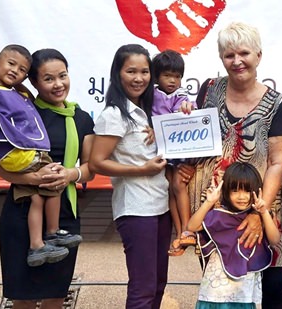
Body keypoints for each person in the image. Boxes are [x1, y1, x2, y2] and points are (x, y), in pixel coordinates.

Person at [179, 21, 282, 308]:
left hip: (260, 204)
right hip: (216, 206)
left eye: (244, 53)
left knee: (272, 285)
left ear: (259, 56)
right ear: (221, 59)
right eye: (229, 55)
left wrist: (258, 212)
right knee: (220, 283)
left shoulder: (278, 103)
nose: (237, 61)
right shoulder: (209, 90)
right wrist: (184, 154)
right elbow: (197, 137)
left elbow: (278, 163)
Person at [0, 48, 95, 309]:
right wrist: (35, 178)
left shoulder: (80, 118)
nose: (58, 84)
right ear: (34, 83)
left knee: (55, 296)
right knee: (23, 298)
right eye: (49, 79)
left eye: (63, 76)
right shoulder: (21, 114)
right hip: (21, 212)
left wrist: (71, 174)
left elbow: (90, 168)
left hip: (64, 219)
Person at [0, 44, 82, 267]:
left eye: (21, 70)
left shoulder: (22, 95)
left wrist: (70, 174)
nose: (14, 71)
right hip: (22, 159)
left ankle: (47, 237)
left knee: (47, 192)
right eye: (11, 64)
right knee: (45, 191)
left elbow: (91, 168)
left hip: (31, 156)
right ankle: (43, 240)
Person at [88, 44, 171, 309]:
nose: (139, 78)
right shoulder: (114, 115)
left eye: (145, 72)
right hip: (136, 209)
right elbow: (97, 163)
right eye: (131, 71)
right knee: (143, 287)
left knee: (158, 282)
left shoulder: (150, 112)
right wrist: (141, 170)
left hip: (161, 205)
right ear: (118, 74)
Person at [187, 162, 280, 308]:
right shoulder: (219, 215)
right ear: (226, 191)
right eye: (235, 190)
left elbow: (275, 240)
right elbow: (192, 226)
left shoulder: (259, 219)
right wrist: (209, 202)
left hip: (244, 296)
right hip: (214, 294)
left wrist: (263, 212)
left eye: (247, 191)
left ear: (256, 190)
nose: (241, 196)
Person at [151, 49, 198, 256]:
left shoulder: (181, 96)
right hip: (160, 151)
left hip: (178, 150)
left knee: (179, 185)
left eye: (177, 76)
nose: (172, 80)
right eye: (167, 75)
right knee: (171, 188)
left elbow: (188, 107)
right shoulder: (150, 94)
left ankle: (188, 229)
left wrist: (187, 108)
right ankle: (179, 235)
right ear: (156, 76)